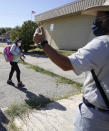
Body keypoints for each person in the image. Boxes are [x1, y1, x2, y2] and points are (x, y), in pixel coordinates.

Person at [33, 3, 109, 131]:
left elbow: (66, 64)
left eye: (98, 18)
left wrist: (43, 43)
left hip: (96, 118)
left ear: (107, 20)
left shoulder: (103, 43)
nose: (95, 22)